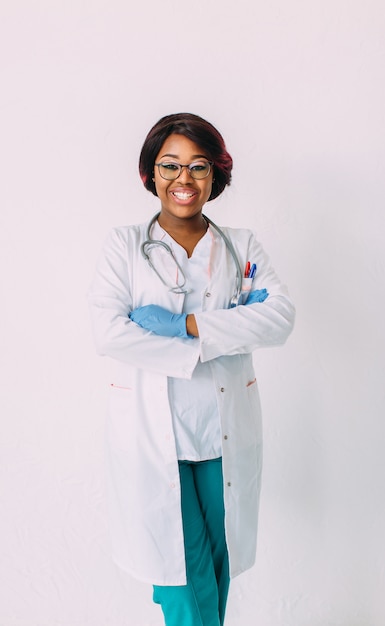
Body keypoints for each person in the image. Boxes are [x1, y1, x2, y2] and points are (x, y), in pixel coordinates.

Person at [88, 112, 295, 626]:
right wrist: (230, 326)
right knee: (183, 578)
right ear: (150, 173)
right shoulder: (124, 245)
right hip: (154, 437)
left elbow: (280, 319)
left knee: (215, 570)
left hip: (223, 435)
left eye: (199, 166)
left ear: (216, 174)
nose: (185, 179)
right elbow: (110, 333)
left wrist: (186, 328)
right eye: (171, 165)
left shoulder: (240, 246)